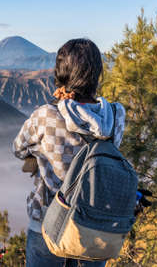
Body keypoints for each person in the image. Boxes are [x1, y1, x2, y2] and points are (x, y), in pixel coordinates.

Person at [12, 38, 126, 267]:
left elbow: (18, 148)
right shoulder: (116, 115)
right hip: (96, 225)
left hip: (50, 221)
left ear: (61, 73)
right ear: (97, 74)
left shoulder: (46, 115)